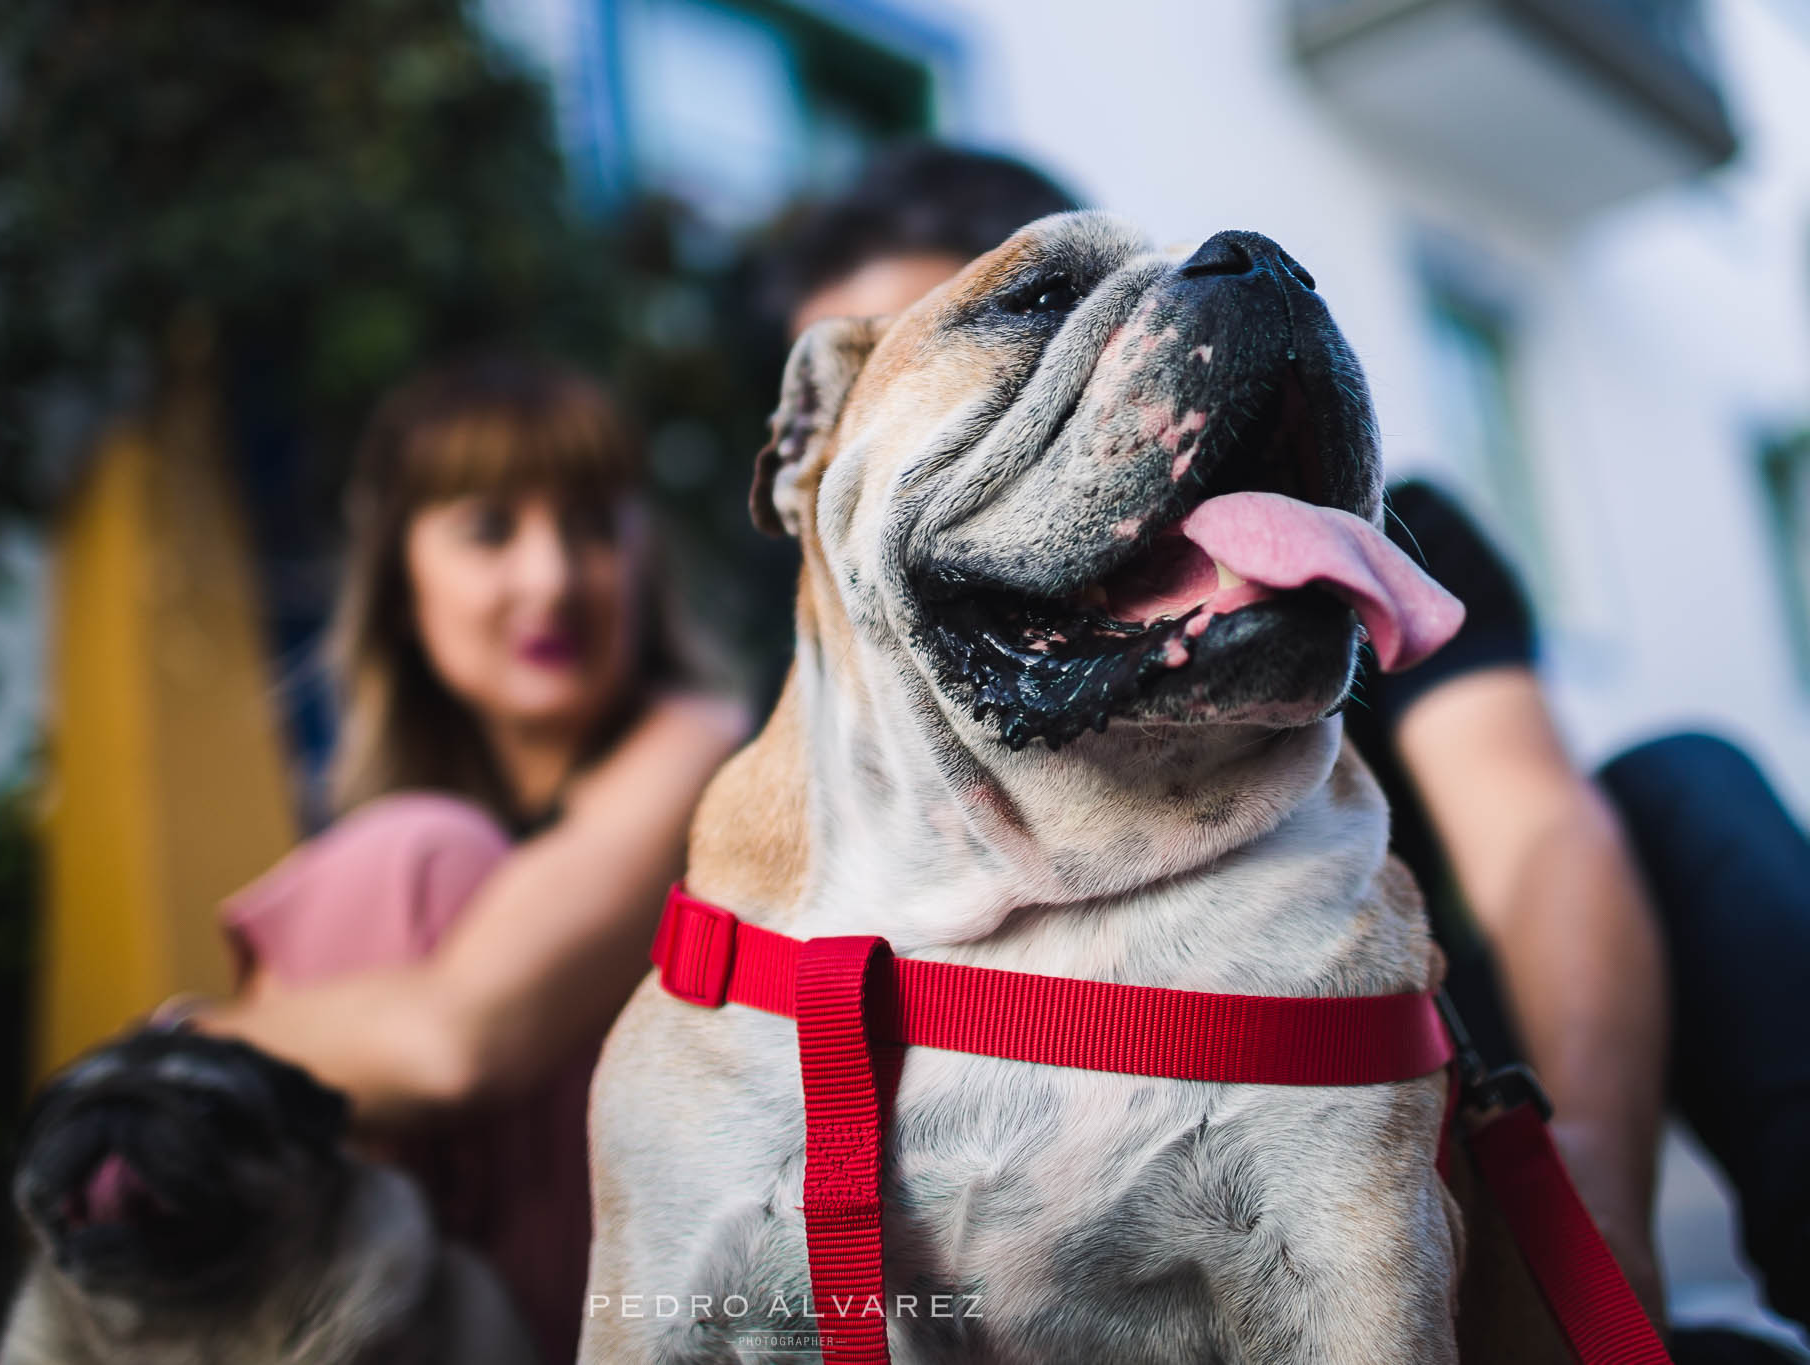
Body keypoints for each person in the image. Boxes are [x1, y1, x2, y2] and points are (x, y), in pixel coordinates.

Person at [765, 140, 1810, 1357]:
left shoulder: (1340, 541)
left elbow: (1529, 831)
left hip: (1425, 1050)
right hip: (1060, 1110)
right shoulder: (841, 656)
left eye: (1032, 306)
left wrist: (1584, 1211)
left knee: (1686, 785)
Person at [194, 356, 748, 1364]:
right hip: (444, 1294)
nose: (551, 576)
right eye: (490, 530)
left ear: (640, 556)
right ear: (403, 585)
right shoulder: (422, 824)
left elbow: (457, 1045)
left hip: (627, 1310)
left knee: (417, 853)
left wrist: (174, 1056)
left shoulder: (700, 745)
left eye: (591, 524)